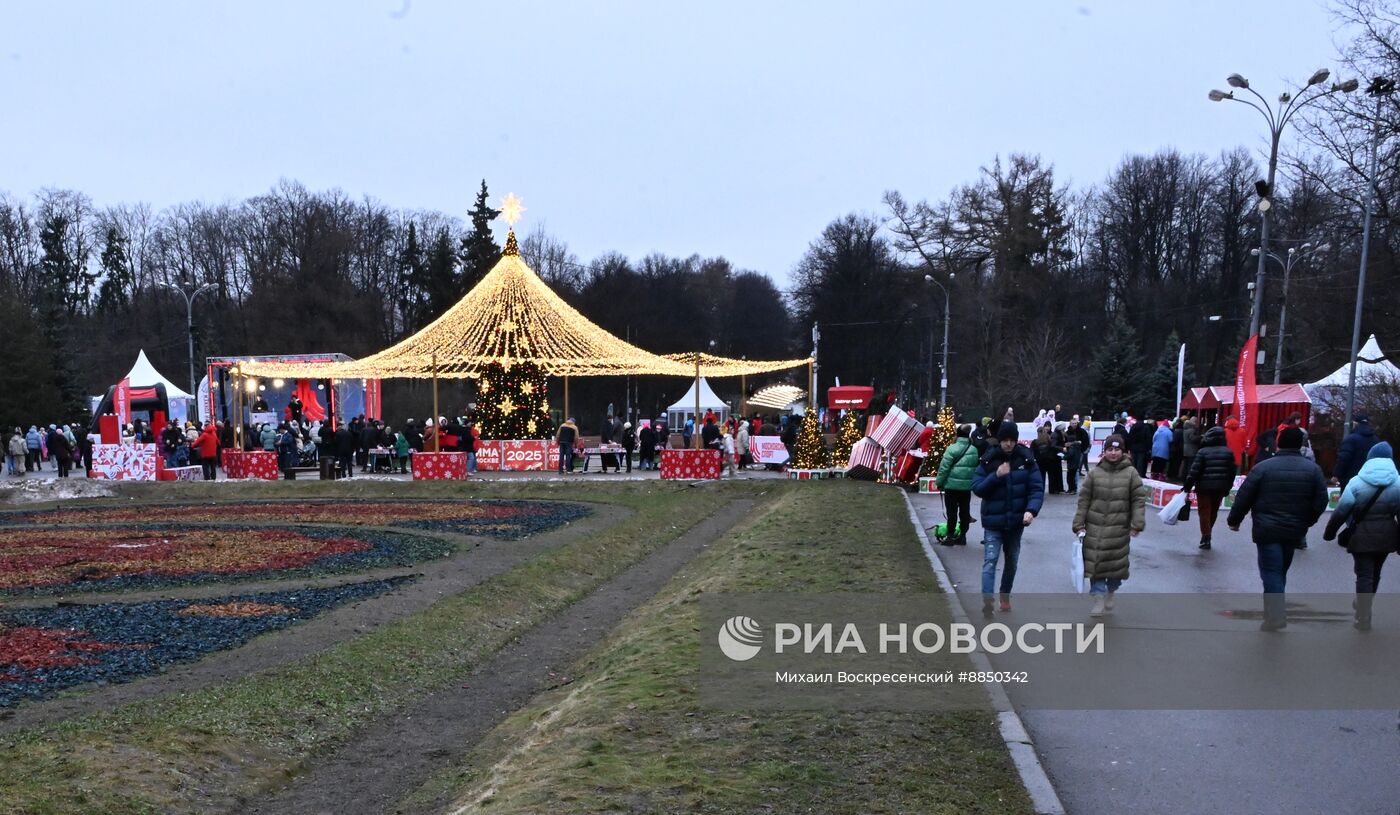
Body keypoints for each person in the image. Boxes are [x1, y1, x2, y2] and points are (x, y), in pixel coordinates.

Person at [1226, 427, 1329, 631]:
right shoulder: (1313, 470)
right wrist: (1308, 521)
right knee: (1280, 571)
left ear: (1279, 443)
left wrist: (1234, 520)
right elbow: (1321, 500)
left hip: (1267, 529)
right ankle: (1273, 613)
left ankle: (1275, 616)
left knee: (1272, 572)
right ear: (1300, 445)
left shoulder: (1263, 468)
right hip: (1295, 529)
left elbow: (1245, 496)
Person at [1323, 442, 1400, 630]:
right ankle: (1365, 606)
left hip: (1361, 534)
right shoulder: (1398, 483)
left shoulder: (1357, 482)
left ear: (1369, 458)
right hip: (1387, 535)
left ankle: (1363, 615)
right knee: (1376, 572)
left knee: (1364, 575)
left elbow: (1342, 511)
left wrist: (1330, 533)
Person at [972, 423, 1043, 615]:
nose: (1009, 444)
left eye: (1012, 440)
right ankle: (988, 600)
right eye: (1005, 440)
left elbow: (1036, 488)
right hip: (993, 522)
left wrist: (1031, 510)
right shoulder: (988, 459)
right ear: (1000, 440)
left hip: (1016, 523)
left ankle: (1005, 596)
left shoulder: (1026, 459)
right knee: (990, 560)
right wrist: (996, 476)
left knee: (1011, 561)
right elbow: (977, 488)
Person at [1072, 435, 1146, 616]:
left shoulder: (1131, 473)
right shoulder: (1094, 473)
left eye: (1117, 449)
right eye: (1110, 449)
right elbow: (1084, 500)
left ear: (1123, 452)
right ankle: (1098, 598)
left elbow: (1138, 500)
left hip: (1119, 530)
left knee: (1115, 567)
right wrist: (1079, 523)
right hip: (1094, 529)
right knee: (1095, 565)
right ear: (1104, 451)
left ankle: (1111, 591)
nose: (1113, 453)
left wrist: (1137, 523)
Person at [1181, 425, 1237, 549]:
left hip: (1203, 487)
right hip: (1220, 487)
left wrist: (1187, 486)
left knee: (1204, 511)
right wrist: (1228, 487)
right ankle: (1208, 533)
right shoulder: (1228, 452)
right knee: (1213, 511)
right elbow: (1232, 472)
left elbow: (1194, 471)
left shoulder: (1203, 452)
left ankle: (1206, 537)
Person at [936, 425, 979, 546]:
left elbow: (944, 468)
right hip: (966, 487)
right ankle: (963, 536)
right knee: (965, 512)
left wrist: (939, 482)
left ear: (957, 434)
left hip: (951, 486)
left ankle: (950, 536)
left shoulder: (951, 449)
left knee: (952, 512)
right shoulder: (973, 450)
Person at [1335, 414, 1379, 489]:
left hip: (1350, 479)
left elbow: (1344, 458)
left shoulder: (1350, 439)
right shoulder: (1376, 440)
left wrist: (1337, 474)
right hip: (1370, 480)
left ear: (1355, 423)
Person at [1032, 424, 1062, 494]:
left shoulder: (1035, 441)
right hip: (1050, 460)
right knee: (1051, 476)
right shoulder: (1049, 440)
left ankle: (1041, 490)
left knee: (1041, 476)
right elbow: (1053, 449)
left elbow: (1032, 451)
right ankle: (1052, 490)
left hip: (1040, 461)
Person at [1064, 419, 1090, 494]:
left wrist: (1082, 450)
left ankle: (1074, 488)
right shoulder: (1067, 432)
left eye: (1075, 423)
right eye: (1073, 423)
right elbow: (1065, 442)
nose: (1074, 424)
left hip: (1079, 452)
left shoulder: (1082, 431)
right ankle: (1071, 488)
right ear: (1070, 424)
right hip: (1070, 452)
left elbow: (1086, 442)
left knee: (1075, 470)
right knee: (1071, 471)